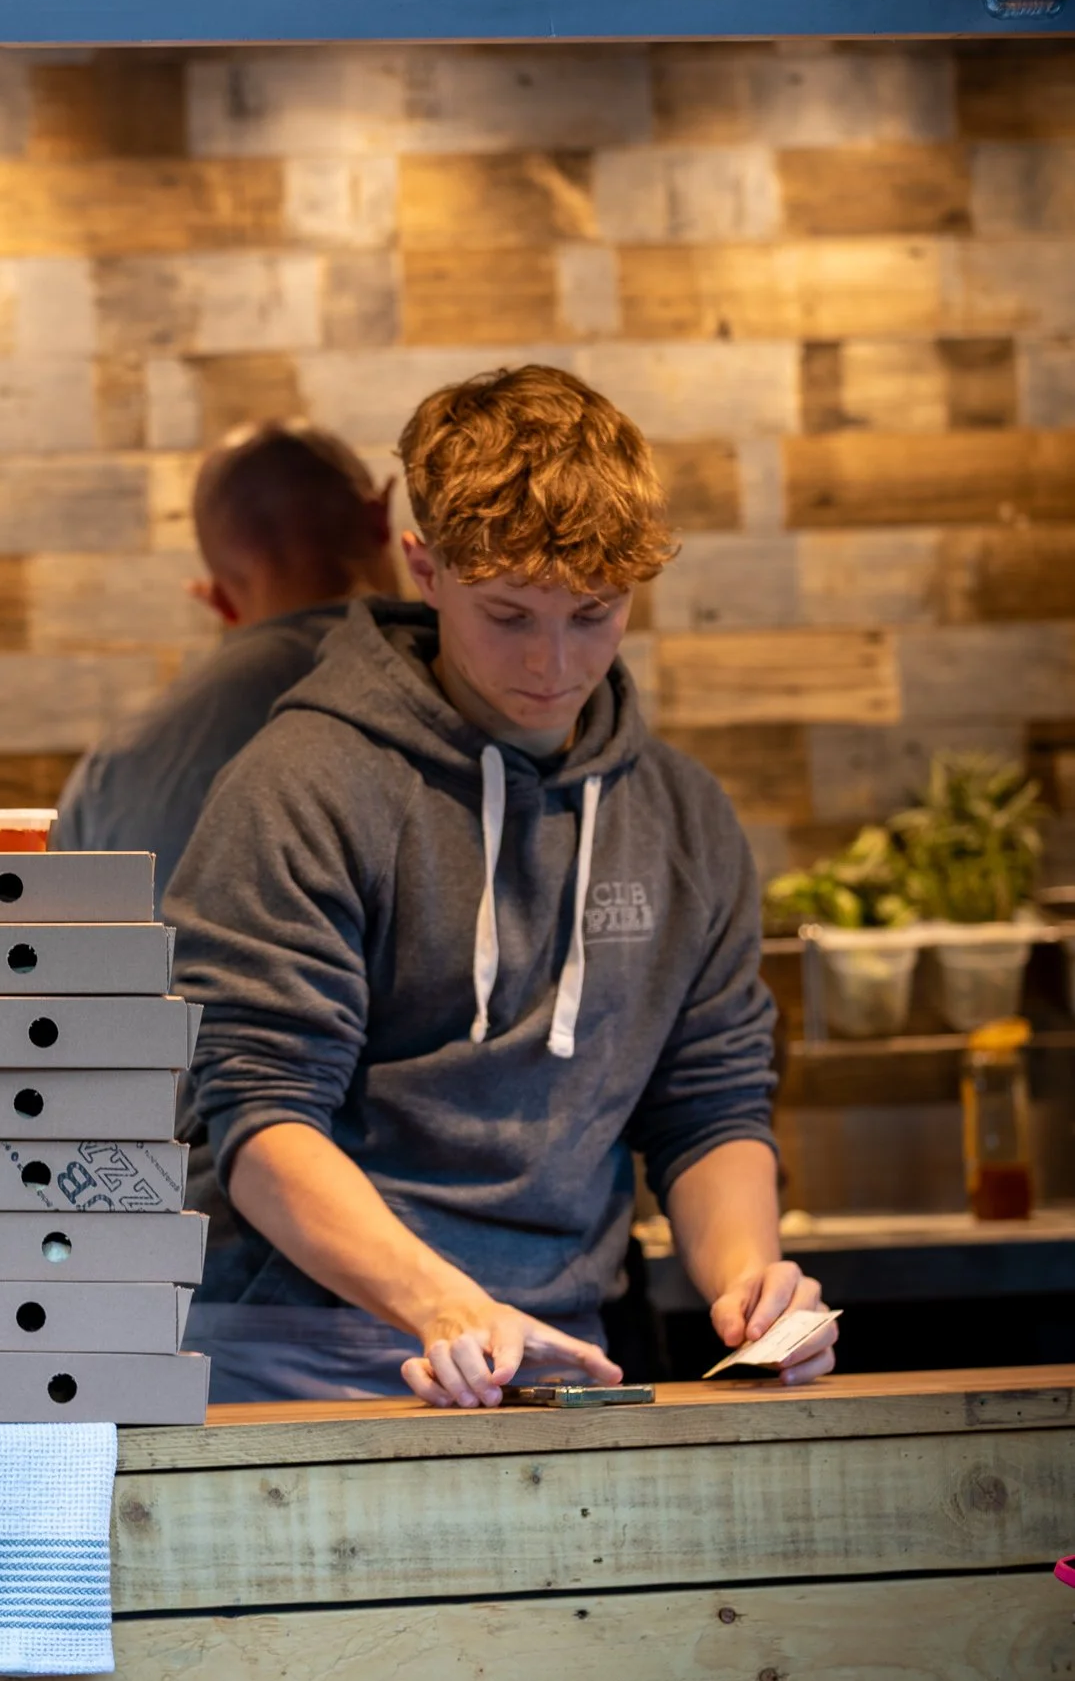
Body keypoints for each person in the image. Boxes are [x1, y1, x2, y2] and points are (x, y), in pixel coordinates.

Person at [166, 364, 836, 1407]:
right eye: (509, 614)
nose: (552, 663)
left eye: (592, 613)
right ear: (423, 570)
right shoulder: (300, 785)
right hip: (294, 1343)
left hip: (559, 1350)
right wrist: (440, 1302)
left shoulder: (681, 816)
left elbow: (707, 1104)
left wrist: (747, 1281)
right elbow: (259, 1117)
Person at [51, 420, 398, 903]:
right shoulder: (493, 690)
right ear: (382, 518)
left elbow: (56, 960)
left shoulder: (113, 772)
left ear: (220, 601)